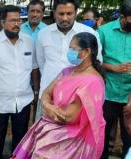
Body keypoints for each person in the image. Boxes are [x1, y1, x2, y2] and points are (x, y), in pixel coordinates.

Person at [12, 32, 106, 159]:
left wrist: (47, 108)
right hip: (49, 130)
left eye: (73, 49)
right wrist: (48, 105)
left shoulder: (92, 82)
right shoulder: (67, 71)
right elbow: (46, 92)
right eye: (69, 48)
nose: (69, 52)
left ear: (87, 51)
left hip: (71, 140)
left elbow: (68, 117)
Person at [0, 5, 38, 159]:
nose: (16, 24)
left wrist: (36, 92)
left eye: (18, 20)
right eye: (12, 20)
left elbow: (34, 69)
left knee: (21, 138)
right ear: (2, 22)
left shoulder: (29, 41)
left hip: (23, 101)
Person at [35, 0, 102, 121]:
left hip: (76, 100)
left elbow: (95, 62)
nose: (65, 18)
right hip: (47, 96)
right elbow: (41, 63)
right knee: (44, 136)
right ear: (54, 13)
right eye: (61, 14)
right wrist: (47, 99)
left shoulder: (89, 33)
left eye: (69, 13)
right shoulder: (43, 34)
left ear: (76, 12)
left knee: (70, 136)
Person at [98, 1, 131, 158]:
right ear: (122, 17)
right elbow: (94, 61)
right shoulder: (104, 31)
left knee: (129, 136)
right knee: (102, 134)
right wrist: (113, 68)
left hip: (130, 96)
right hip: (108, 93)